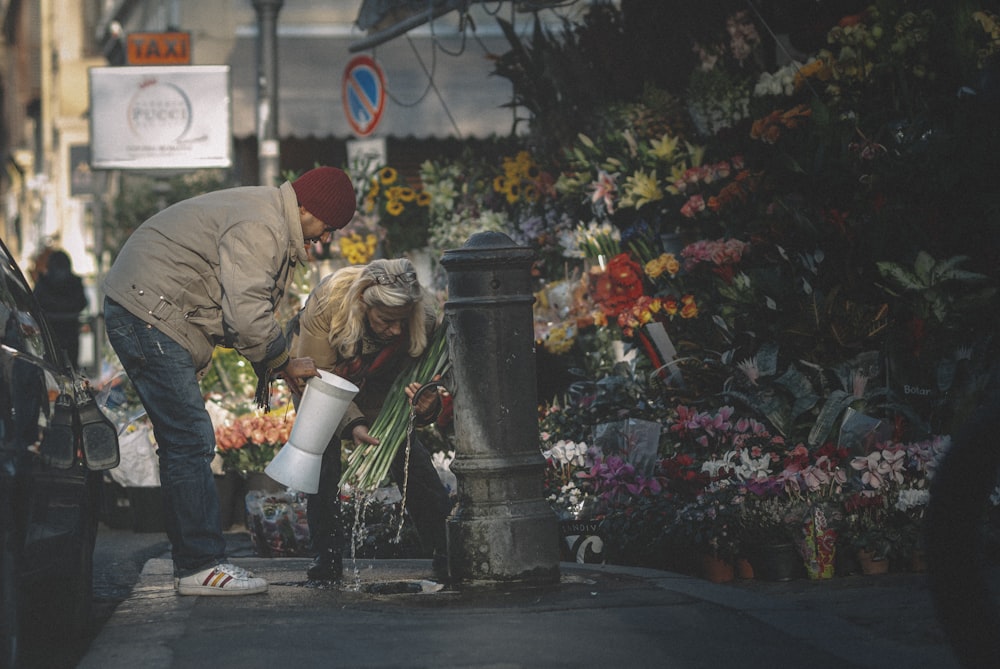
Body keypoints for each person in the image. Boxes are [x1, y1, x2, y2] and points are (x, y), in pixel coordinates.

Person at [102, 166, 357, 596]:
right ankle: (200, 565)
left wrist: (276, 363)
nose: (325, 239)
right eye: (328, 227)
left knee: (182, 438)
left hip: (147, 309)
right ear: (310, 209)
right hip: (148, 312)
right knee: (188, 438)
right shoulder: (264, 226)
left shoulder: (266, 215)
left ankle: (196, 560)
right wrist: (282, 361)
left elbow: (239, 309)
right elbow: (246, 313)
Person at [288, 257, 453, 582]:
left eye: (402, 322)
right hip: (320, 375)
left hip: (379, 381)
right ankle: (327, 558)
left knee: (403, 451)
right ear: (364, 303)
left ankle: (446, 548)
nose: (396, 330)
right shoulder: (329, 302)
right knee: (321, 453)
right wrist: (352, 423)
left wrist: (427, 403)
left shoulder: (425, 317)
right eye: (386, 320)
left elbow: (428, 387)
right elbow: (318, 377)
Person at [33, 249, 88, 369]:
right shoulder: (74, 283)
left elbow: (34, 305)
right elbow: (82, 303)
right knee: (67, 367)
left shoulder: (43, 283)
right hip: (65, 330)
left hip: (54, 331)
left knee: (55, 368)